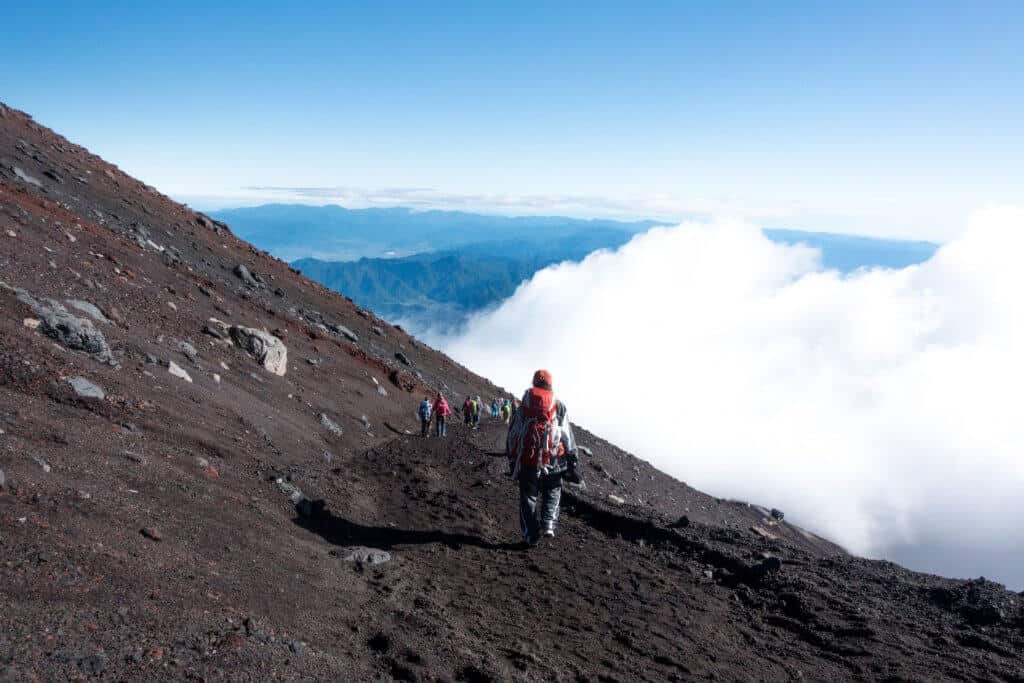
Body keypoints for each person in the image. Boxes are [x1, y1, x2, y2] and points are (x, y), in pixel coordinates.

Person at [506, 369, 580, 545]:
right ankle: (548, 524)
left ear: (534, 383)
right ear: (550, 384)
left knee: (528, 497)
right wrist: (572, 456)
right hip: (554, 458)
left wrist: (512, 457)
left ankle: (530, 534)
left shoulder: (524, 405)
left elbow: (514, 433)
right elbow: (566, 435)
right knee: (553, 490)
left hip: (528, 458)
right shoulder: (558, 405)